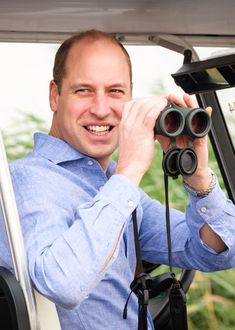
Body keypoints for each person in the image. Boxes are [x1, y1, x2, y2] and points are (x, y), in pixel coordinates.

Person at [1, 29, 235, 330]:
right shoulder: (26, 182)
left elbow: (218, 253)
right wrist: (130, 169)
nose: (101, 109)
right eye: (83, 90)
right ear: (55, 96)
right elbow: (63, 285)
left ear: (130, 98)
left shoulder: (110, 182)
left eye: (115, 92)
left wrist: (199, 178)